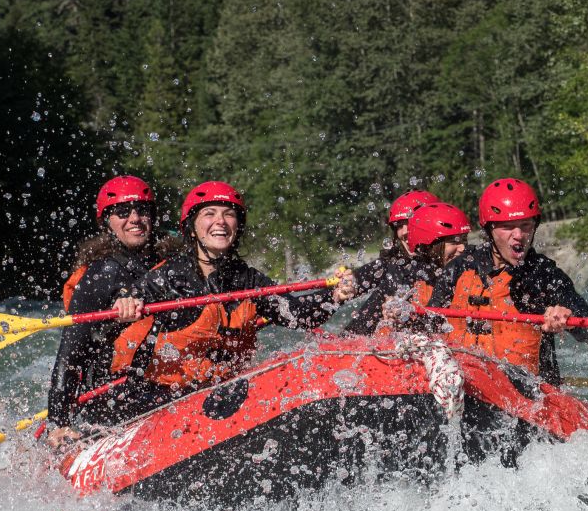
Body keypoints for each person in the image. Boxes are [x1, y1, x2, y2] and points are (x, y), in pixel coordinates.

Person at [108, 181, 357, 415]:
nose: (221, 221)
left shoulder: (248, 279)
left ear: (237, 227)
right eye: (210, 214)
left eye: (229, 214)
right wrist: (126, 301)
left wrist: (335, 295)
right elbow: (133, 295)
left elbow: (298, 315)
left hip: (222, 391)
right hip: (163, 395)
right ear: (192, 228)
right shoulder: (169, 276)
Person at [425, 178, 588, 385]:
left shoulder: (544, 274)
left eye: (525, 226)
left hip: (529, 390)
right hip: (468, 382)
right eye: (508, 227)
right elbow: (429, 324)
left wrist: (569, 318)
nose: (519, 236)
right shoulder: (462, 267)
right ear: (489, 229)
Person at [45, 175, 172, 446]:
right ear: (107, 222)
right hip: (112, 401)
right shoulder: (101, 274)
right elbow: (70, 354)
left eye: (142, 210)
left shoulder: (173, 266)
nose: (135, 218)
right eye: (123, 212)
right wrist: (58, 423)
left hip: (164, 387)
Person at [348, 200, 470, 335]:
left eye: (464, 240)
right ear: (431, 245)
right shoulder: (403, 279)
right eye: (454, 241)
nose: (463, 248)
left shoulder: (474, 267)